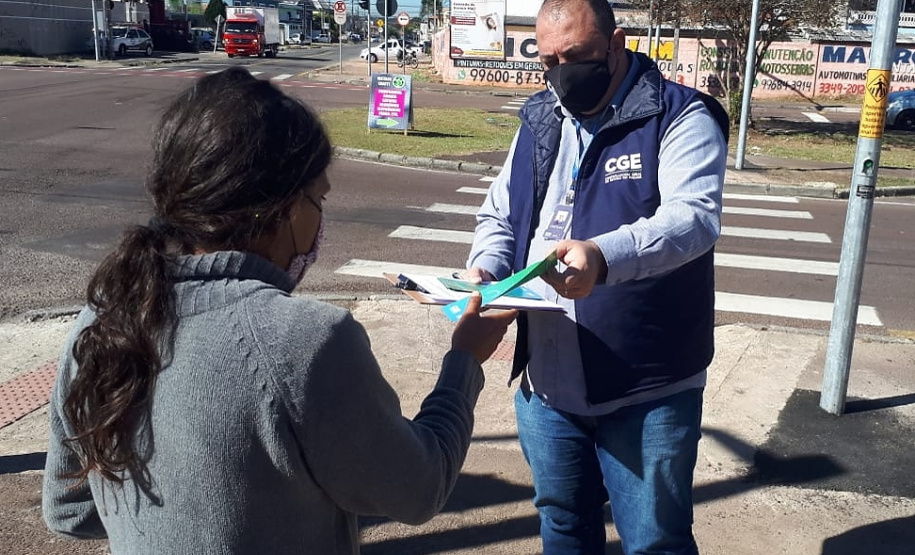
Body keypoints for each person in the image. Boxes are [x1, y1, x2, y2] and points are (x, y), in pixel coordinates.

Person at [42, 67, 517, 555]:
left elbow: (70, 509)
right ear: (287, 208)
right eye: (320, 198)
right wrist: (464, 362)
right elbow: (417, 489)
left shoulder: (103, 319)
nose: (321, 218)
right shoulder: (305, 339)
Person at [462, 1, 729, 553]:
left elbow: (693, 219)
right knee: (563, 523)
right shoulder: (540, 118)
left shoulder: (680, 115)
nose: (562, 73)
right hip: (548, 383)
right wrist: (484, 268)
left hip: (647, 386)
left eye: (577, 56)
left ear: (616, 42)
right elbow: (500, 213)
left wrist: (603, 257)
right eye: (549, 60)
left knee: (654, 540)